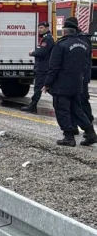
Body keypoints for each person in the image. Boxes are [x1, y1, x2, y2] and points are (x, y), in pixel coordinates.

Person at [44, 18, 97, 146]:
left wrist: (47, 83)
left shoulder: (60, 45)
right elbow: (86, 65)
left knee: (62, 110)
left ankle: (69, 137)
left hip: (62, 84)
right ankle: (90, 133)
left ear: (64, 32)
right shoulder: (84, 45)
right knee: (77, 109)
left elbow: (54, 67)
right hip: (78, 83)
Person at [21, 21, 54, 113]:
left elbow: (42, 52)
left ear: (47, 28)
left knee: (39, 87)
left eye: (42, 28)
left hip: (43, 68)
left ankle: (32, 106)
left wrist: (33, 53)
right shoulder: (45, 38)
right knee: (45, 87)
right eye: (39, 28)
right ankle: (33, 105)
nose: (40, 29)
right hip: (42, 67)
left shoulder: (47, 39)